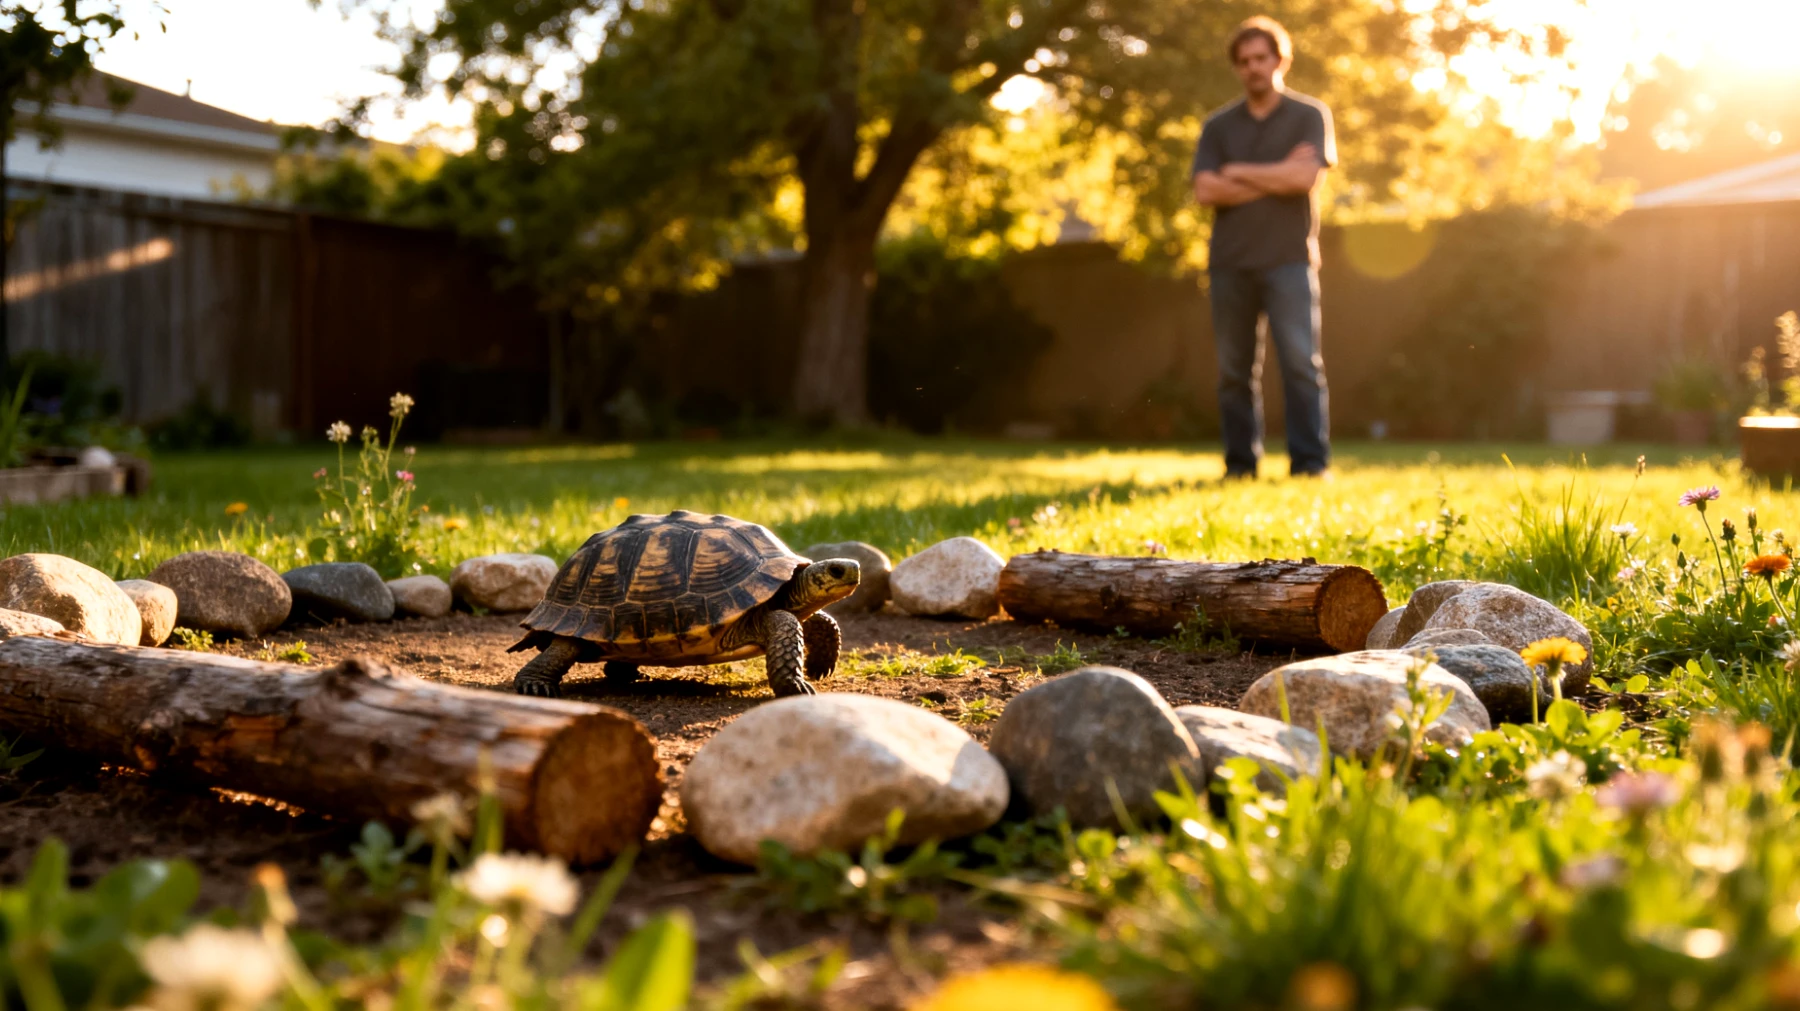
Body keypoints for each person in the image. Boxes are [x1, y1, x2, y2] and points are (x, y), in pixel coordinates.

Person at [1191, 15, 1337, 479]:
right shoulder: (1218, 127)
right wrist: (1277, 174)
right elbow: (1205, 190)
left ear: (1280, 60)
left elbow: (1304, 178)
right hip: (1229, 263)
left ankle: (1310, 465)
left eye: (1261, 58)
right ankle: (1240, 467)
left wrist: (1237, 172)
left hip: (1290, 260)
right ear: (1237, 67)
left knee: (1301, 365)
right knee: (1234, 372)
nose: (1253, 67)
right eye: (1244, 61)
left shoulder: (1309, 115)